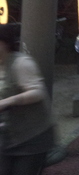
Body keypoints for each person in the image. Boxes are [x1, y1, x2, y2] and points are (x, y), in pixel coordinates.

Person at [0, 24, 55, 175]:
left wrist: (8, 101)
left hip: (32, 137)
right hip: (7, 138)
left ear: (4, 43)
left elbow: (37, 92)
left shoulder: (21, 63)